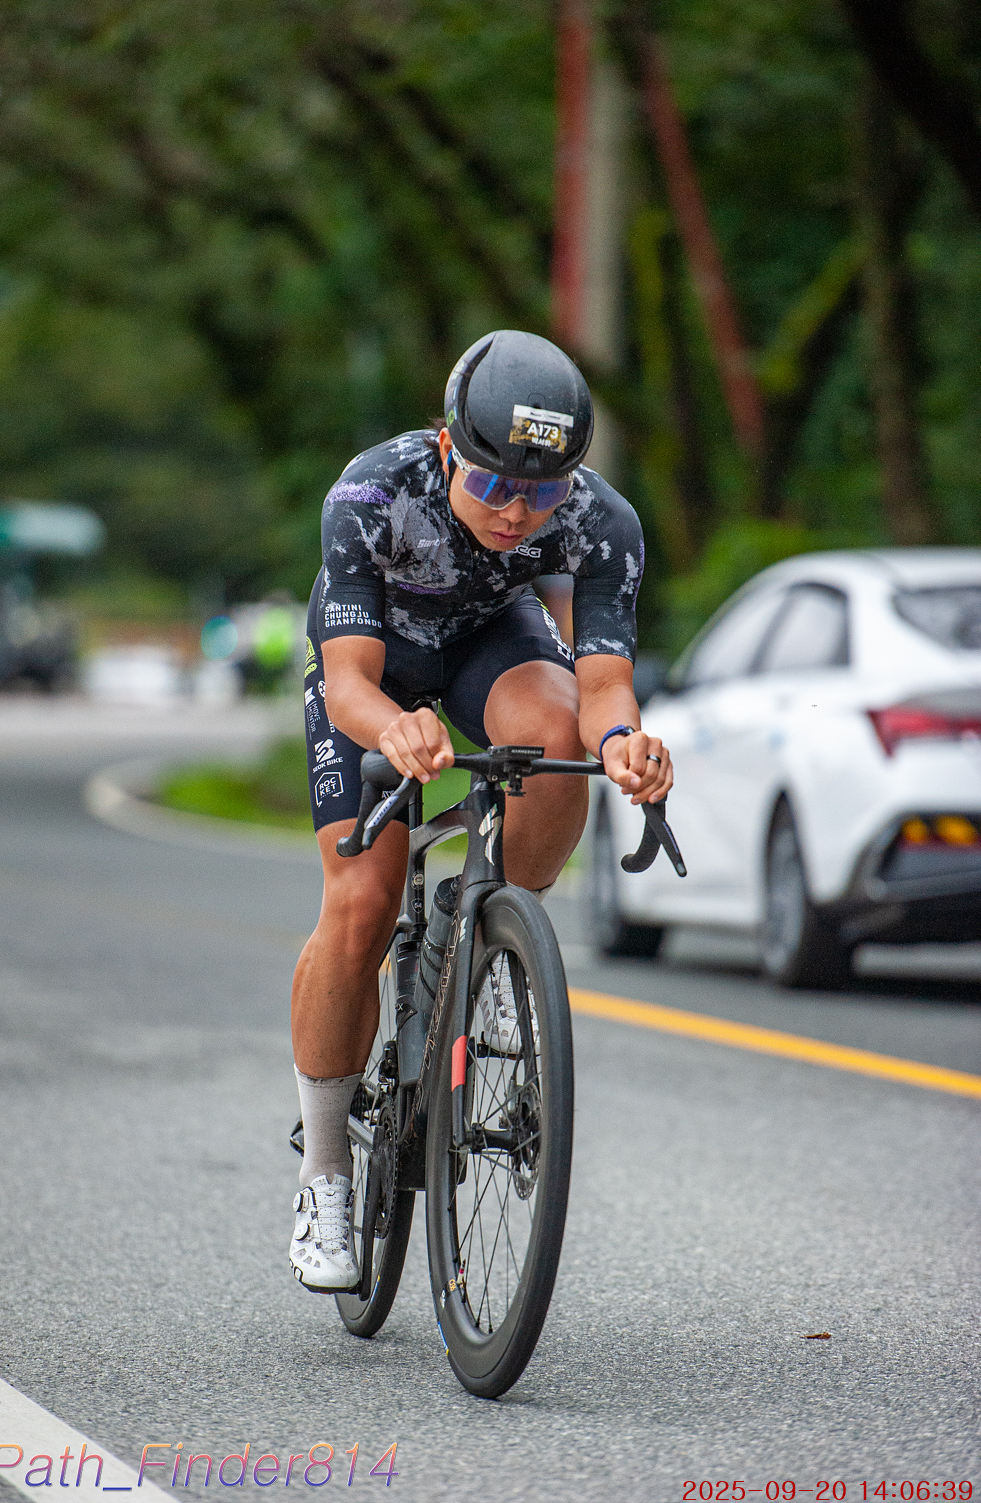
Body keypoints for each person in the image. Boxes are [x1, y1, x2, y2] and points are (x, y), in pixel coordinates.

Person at [289, 329, 672, 1292]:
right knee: (361, 905)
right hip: (375, 663)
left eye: (541, 493)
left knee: (557, 737)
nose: (515, 511)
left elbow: (604, 685)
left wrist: (625, 743)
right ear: (449, 447)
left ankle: (490, 925)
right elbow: (349, 683)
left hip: (488, 643)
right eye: (494, 482)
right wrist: (393, 728)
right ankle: (325, 1171)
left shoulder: (601, 520)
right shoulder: (373, 491)